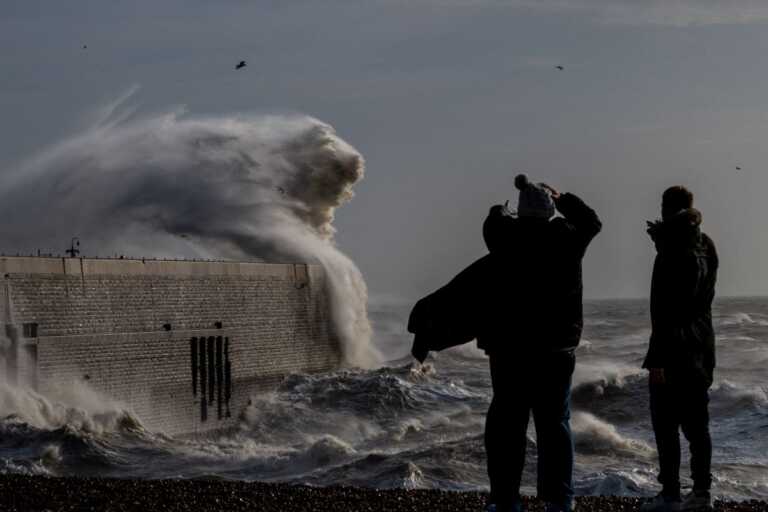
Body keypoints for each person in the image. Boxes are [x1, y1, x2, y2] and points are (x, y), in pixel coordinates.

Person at [479, 174, 602, 512]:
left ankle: (505, 500)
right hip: (555, 350)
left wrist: (503, 208)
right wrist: (561, 197)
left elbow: (493, 220)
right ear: (550, 212)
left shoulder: (504, 237)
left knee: (507, 426)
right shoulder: (567, 239)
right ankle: (559, 500)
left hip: (509, 351)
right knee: (554, 427)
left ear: (521, 213)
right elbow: (592, 221)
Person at [640, 186, 719, 512]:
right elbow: (705, 299)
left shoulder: (670, 253)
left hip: (673, 350)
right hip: (701, 345)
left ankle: (670, 494)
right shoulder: (706, 245)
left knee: (666, 425)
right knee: (698, 426)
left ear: (665, 210)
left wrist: (656, 360)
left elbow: (662, 311)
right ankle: (701, 493)